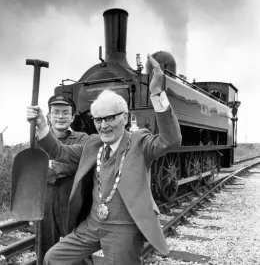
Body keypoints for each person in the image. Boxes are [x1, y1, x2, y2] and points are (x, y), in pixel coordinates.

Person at [27, 54, 182, 265]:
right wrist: (42, 126)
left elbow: (170, 140)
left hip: (123, 228)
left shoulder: (139, 142)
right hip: (92, 224)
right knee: (53, 258)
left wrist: (157, 94)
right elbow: (60, 152)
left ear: (125, 117)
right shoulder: (93, 144)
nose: (104, 125)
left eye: (111, 117)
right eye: (99, 119)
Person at [34, 95, 91, 265]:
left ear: (72, 117)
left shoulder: (83, 139)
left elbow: (84, 166)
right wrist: (67, 167)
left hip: (73, 200)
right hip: (45, 200)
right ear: (49, 116)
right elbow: (34, 169)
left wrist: (54, 166)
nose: (60, 116)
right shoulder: (36, 139)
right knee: (44, 247)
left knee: (78, 247)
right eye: (56, 112)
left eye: (65, 113)